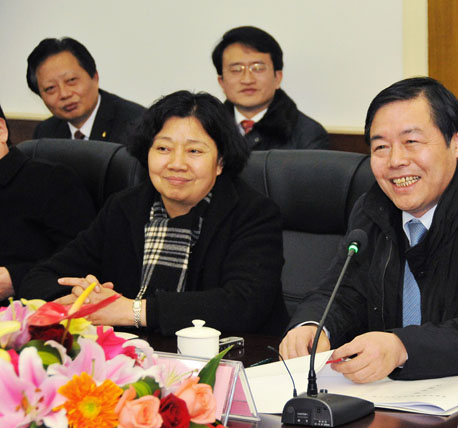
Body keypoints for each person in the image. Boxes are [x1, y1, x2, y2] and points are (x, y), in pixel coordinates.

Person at [280, 77, 458, 382]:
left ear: (456, 141)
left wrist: (403, 347)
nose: (396, 161)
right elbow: (343, 291)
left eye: (411, 142)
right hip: (398, 394)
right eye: (381, 147)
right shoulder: (372, 209)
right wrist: (313, 326)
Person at [20, 91, 288, 335]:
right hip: (135, 357)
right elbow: (40, 278)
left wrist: (132, 311)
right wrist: (82, 298)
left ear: (220, 162)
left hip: (232, 359)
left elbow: (243, 305)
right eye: (163, 148)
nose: (176, 163)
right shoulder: (125, 207)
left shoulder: (254, 213)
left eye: (194, 151)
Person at [0, 104, 95, 306]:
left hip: (35, 311)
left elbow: (83, 259)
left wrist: (15, 278)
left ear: (1, 130)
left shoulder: (54, 181)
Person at [212, 26, 329, 150]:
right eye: (236, 69)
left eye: (258, 68)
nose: (247, 80)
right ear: (221, 82)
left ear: (277, 78)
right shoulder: (208, 129)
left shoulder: (308, 135)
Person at [27, 37, 145, 144]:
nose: (64, 94)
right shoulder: (45, 133)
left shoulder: (137, 125)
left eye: (71, 80)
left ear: (95, 76)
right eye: (51, 88)